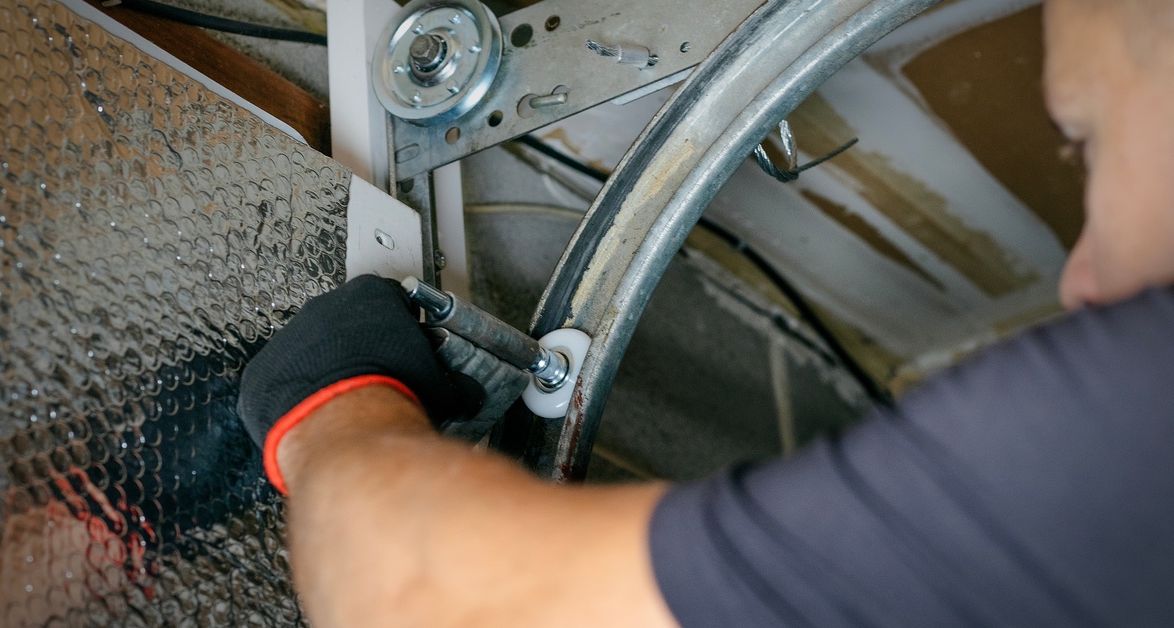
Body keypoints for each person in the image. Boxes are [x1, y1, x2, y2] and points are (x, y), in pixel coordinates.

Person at [237, 0, 1174, 624]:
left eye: (1086, 142)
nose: (1078, 283)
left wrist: (334, 406)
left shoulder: (1141, 416)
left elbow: (433, 600)